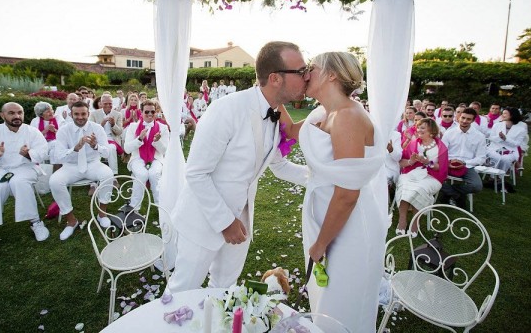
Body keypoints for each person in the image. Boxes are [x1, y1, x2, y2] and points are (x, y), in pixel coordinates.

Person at [167, 41, 308, 293]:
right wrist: (225, 222)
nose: (306, 77)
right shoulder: (226, 108)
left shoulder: (277, 115)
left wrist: (323, 178)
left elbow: (279, 165)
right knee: (182, 290)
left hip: (242, 221)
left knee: (223, 288)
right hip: (204, 219)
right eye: (300, 71)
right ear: (275, 78)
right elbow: (197, 172)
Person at [278, 51, 388, 332]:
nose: (306, 73)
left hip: (350, 228)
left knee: (343, 308)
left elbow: (347, 194)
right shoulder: (323, 112)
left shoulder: (348, 117)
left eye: (312, 68)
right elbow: (290, 130)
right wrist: (273, 90)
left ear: (331, 75)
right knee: (327, 302)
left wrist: (320, 243)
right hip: (330, 220)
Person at [0, 102, 50, 258]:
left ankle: (35, 221)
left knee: (19, 183)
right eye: (11, 113)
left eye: (20, 112)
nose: (17, 116)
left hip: (24, 167)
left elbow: (43, 151)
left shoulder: (32, 132)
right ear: (2, 115)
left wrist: (28, 153)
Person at [49, 101, 113, 241]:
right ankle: (71, 221)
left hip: (92, 164)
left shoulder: (97, 128)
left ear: (88, 114)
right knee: (54, 181)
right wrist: (75, 149)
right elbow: (58, 155)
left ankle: (102, 214)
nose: (80, 117)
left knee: (108, 174)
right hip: (70, 166)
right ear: (71, 114)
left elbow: (107, 153)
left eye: (83, 113)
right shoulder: (64, 130)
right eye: (76, 114)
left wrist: (96, 146)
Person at [395, 118, 448, 236]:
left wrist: (427, 162)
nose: (418, 130)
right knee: (404, 185)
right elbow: (401, 163)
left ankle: (415, 223)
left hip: (432, 177)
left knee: (419, 189)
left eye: (422, 128)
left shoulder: (441, 147)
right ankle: (402, 220)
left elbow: (441, 168)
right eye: (418, 127)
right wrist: (411, 161)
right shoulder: (413, 144)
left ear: (432, 131)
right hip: (411, 173)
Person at [124, 100, 169, 206]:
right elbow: (127, 149)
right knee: (141, 174)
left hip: (156, 158)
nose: (150, 114)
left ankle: (160, 206)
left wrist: (157, 141)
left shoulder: (163, 128)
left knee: (154, 174)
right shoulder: (133, 127)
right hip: (137, 157)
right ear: (141, 112)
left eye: (152, 112)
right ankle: (135, 207)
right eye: (147, 112)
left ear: (156, 112)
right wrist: (139, 138)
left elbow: (165, 151)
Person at [440, 108, 486, 208]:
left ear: (473, 120)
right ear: (458, 117)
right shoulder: (449, 133)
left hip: (467, 166)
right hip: (448, 163)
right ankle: (457, 196)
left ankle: (450, 192)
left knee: (477, 186)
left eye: (468, 119)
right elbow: (442, 152)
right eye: (463, 118)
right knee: (432, 177)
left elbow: (481, 158)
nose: (464, 121)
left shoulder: (479, 136)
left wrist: (464, 163)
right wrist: (448, 162)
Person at [89, 93, 124, 186]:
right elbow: (90, 131)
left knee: (111, 148)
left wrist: (113, 124)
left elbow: (120, 132)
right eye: (105, 103)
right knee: (93, 149)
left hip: (111, 139)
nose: (108, 105)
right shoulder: (94, 114)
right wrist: (102, 124)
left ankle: (113, 176)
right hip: (98, 139)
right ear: (101, 103)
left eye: (110, 103)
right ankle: (93, 180)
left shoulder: (117, 114)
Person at [487, 107, 526, 172]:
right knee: (497, 157)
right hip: (494, 148)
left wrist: (506, 139)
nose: (502, 115)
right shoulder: (497, 125)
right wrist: (500, 137)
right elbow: (491, 138)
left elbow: (517, 144)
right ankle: (493, 176)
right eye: (502, 113)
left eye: (505, 113)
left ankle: (500, 177)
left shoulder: (521, 130)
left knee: (505, 159)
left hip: (511, 151)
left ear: (512, 115)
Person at [30, 101, 63, 169]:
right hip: (40, 144)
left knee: (55, 148)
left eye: (51, 110)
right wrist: (45, 130)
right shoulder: (35, 121)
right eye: (48, 111)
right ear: (41, 114)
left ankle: (56, 170)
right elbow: (33, 138)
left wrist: (54, 130)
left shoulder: (58, 118)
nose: (51, 112)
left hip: (55, 142)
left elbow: (64, 136)